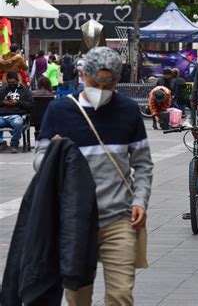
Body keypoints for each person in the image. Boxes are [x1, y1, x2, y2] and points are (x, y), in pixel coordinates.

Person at [34, 47, 154, 305]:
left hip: (119, 218)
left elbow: (143, 164)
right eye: (95, 83)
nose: (101, 89)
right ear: (82, 76)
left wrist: (139, 201)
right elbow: (39, 160)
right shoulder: (59, 111)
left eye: (107, 85)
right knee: (78, 296)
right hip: (74, 220)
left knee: (121, 295)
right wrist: (56, 154)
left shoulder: (129, 111)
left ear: (116, 82)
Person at [0, 72, 34, 153]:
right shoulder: (2, 90)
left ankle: (14, 144)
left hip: (17, 115)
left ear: (18, 81)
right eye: (9, 83)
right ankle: (1, 142)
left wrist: (17, 102)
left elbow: (31, 104)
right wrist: (3, 103)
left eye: (13, 82)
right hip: (2, 115)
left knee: (18, 123)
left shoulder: (25, 91)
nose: (11, 84)